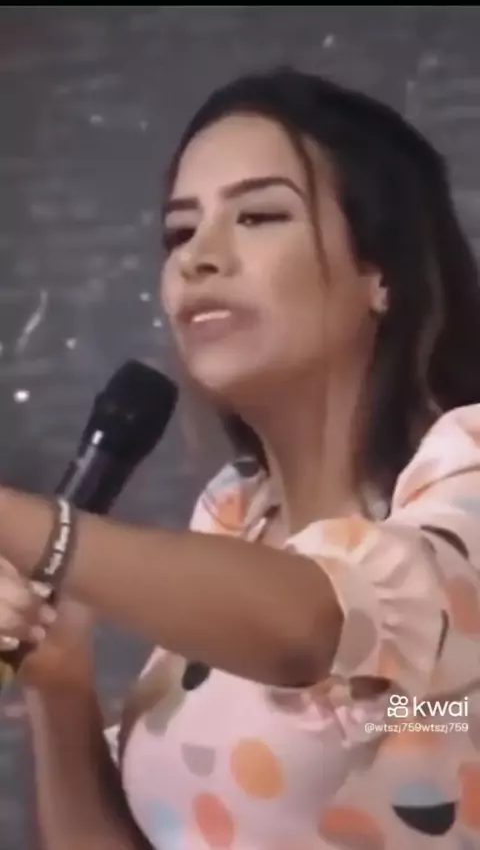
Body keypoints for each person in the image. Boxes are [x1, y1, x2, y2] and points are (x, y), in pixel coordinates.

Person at [0, 66, 479, 850]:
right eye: (179, 233)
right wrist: (62, 687)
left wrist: (25, 526)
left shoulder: (466, 467)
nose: (199, 258)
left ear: (380, 273)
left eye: (258, 216)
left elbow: (313, 628)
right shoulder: (232, 516)